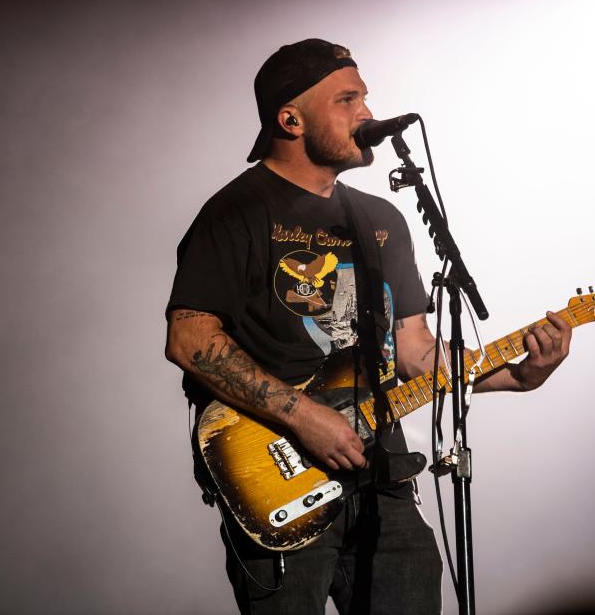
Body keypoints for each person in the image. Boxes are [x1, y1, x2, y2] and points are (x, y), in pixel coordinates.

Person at [164, 38, 571, 615]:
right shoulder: (237, 213)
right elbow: (191, 338)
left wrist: (519, 376)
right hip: (282, 479)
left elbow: (414, 354)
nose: (367, 115)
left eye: (365, 98)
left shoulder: (380, 220)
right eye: (347, 100)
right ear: (291, 118)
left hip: (383, 482)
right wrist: (306, 418)